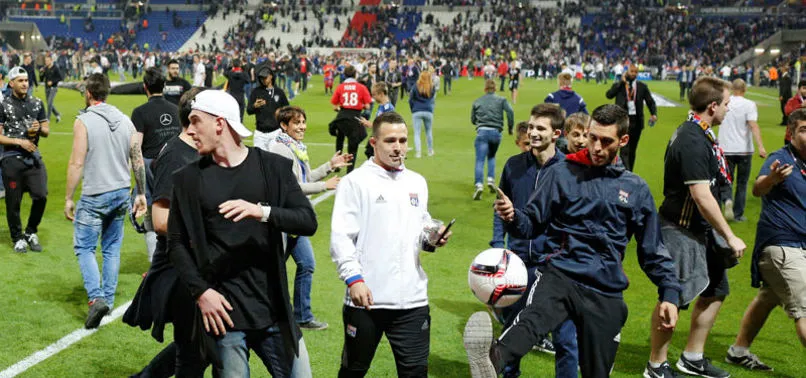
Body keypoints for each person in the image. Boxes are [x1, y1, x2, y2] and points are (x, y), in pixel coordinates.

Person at [465, 104, 681, 378]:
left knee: (596, 371)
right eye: (593, 137)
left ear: (623, 140)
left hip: (605, 289)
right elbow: (531, 223)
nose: (597, 147)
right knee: (532, 318)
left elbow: (652, 250)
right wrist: (513, 217)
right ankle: (492, 361)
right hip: (561, 274)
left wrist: (669, 294)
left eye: (606, 141)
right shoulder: (562, 173)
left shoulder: (635, 189)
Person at [168, 89, 317, 376]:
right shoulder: (187, 179)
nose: (189, 130)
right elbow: (176, 243)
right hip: (224, 318)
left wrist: (262, 212)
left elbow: (307, 221)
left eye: (195, 121)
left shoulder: (272, 168)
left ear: (219, 123)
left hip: (274, 311)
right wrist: (201, 292)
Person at [330, 111, 452, 378]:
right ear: (374, 143)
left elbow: (421, 225)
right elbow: (341, 237)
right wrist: (354, 279)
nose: (398, 147)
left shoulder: (417, 182)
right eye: (390, 141)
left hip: (412, 301)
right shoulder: (355, 182)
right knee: (353, 372)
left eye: (403, 140)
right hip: (367, 299)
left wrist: (433, 236)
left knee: (415, 373)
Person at [646, 77, 747, 378]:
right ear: (713, 106)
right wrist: (730, 235)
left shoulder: (700, 132)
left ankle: (692, 357)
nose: (728, 109)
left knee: (716, 290)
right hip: (681, 229)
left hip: (700, 230)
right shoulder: (692, 140)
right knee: (672, 298)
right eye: (726, 104)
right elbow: (701, 196)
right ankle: (655, 365)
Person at [490, 104, 578, 378]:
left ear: (556, 134)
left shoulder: (569, 170)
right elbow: (501, 208)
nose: (533, 133)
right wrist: (497, 244)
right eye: (530, 127)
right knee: (511, 329)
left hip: (555, 266)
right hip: (518, 263)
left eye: (540, 128)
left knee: (565, 338)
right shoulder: (514, 165)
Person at [724, 108, 806, 372]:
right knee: (804, 309)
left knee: (768, 296)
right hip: (782, 244)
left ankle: (738, 351)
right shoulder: (780, 158)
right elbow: (758, 188)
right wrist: (772, 178)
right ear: (790, 132)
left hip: (799, 244)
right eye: (804, 130)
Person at [65, 73, 147, 328]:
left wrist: (68, 197)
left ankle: (96, 298)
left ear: (88, 93)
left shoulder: (84, 121)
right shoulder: (125, 120)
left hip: (95, 194)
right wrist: (141, 193)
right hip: (121, 192)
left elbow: (76, 162)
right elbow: (137, 159)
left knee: (85, 248)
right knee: (111, 248)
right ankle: (108, 301)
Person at [269, 105, 353, 331]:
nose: (302, 127)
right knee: (274, 269)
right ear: (284, 125)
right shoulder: (280, 149)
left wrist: (329, 166)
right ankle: (271, 313)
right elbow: (292, 187)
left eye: (303, 122)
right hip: (284, 218)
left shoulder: (295, 147)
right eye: (296, 123)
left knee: (306, 264)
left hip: (295, 218)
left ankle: (302, 317)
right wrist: (324, 186)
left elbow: (305, 178)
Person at [130, 67, 183, 261]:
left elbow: (135, 148)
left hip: (152, 167)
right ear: (164, 86)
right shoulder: (176, 110)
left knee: (151, 215)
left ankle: (156, 264)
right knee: (175, 212)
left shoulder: (140, 112)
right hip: (176, 165)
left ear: (145, 87)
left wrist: (138, 188)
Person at [0, 66, 49, 253]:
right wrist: (19, 142)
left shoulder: (37, 103)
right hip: (11, 158)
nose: (24, 84)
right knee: (13, 202)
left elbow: (46, 131)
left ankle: (30, 231)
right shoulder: (3, 105)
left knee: (41, 195)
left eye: (26, 80)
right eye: (20, 81)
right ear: (11, 83)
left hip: (33, 158)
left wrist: (39, 129)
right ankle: (17, 237)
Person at [718, 79, 767, 223]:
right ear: (745, 89)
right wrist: (761, 146)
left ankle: (727, 199)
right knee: (742, 183)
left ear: (732, 89)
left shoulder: (725, 102)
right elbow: (753, 125)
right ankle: (738, 214)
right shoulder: (749, 104)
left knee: (726, 179)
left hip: (726, 148)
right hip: (744, 150)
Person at [605, 64, 658, 171]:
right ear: (627, 72)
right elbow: (609, 95)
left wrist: (653, 114)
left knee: (632, 150)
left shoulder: (642, 86)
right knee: (624, 149)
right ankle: (626, 173)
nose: (633, 74)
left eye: (635, 72)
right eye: (631, 71)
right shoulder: (620, 85)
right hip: (622, 121)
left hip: (637, 122)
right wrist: (621, 82)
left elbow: (650, 101)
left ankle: (629, 172)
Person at [471, 79, 514, 200]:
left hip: (482, 131)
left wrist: (479, 121)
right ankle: (490, 179)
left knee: (480, 160)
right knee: (491, 156)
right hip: (496, 132)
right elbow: (510, 111)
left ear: (485, 88)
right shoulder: (501, 100)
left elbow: (473, 119)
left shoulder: (478, 101)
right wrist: (510, 127)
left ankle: (479, 185)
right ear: (495, 88)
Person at [329, 65, 372, 173]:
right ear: (355, 75)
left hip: (342, 116)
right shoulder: (361, 87)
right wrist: (360, 106)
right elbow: (368, 106)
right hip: (355, 116)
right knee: (353, 144)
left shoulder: (340, 87)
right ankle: (350, 170)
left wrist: (342, 109)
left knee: (340, 139)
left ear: (344, 75)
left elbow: (334, 106)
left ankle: (337, 165)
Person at [247, 64, 289, 151]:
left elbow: (287, 111)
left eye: (265, 77)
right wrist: (255, 106)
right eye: (261, 78)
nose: (263, 80)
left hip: (276, 133)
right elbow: (249, 111)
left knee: (275, 156)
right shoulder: (256, 92)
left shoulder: (279, 92)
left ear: (271, 76)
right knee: (259, 158)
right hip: (260, 134)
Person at [359, 82, 395, 159]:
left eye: (374, 95)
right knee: (369, 152)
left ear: (381, 94)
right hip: (376, 136)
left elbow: (385, 126)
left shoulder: (388, 108)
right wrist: (368, 123)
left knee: (372, 155)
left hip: (381, 138)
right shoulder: (381, 106)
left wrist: (370, 124)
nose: (373, 97)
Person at [409, 71, 437, 159]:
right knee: (428, 131)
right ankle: (430, 151)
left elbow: (411, 99)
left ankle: (418, 153)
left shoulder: (415, 86)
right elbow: (432, 100)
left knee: (417, 133)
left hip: (417, 110)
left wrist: (412, 109)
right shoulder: (432, 87)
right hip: (428, 110)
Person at [40, 54, 63, 123]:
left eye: (47, 61)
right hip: (46, 88)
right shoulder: (45, 68)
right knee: (49, 103)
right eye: (45, 61)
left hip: (53, 88)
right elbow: (41, 79)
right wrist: (41, 73)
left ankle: (48, 118)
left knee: (49, 103)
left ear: (51, 60)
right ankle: (57, 114)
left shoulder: (55, 68)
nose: (46, 62)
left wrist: (52, 82)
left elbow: (60, 78)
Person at [783, 81, 806, 145]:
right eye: (804, 88)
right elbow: (787, 112)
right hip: (792, 136)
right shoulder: (792, 100)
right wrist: (800, 106)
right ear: (798, 89)